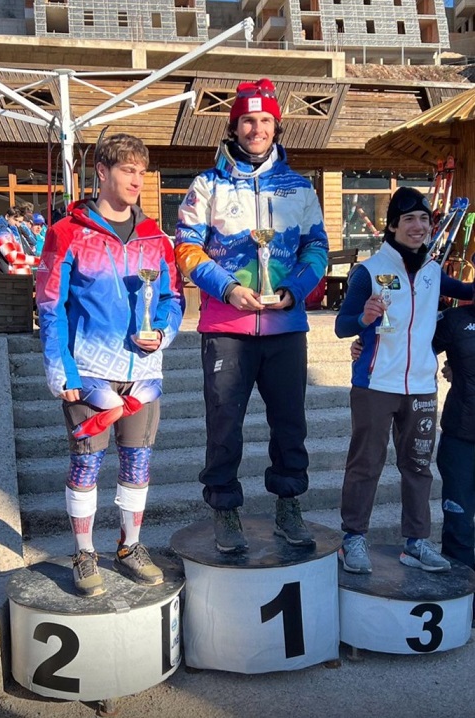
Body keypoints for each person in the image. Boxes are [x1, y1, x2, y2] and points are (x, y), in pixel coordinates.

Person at [174, 78, 329, 553]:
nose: (256, 129)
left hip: (285, 324)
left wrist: (293, 290)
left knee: (290, 423)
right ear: (234, 126)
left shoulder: (300, 187)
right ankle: (224, 508)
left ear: (276, 127)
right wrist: (228, 288)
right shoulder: (207, 185)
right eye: (247, 120)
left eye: (264, 120)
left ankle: (288, 504)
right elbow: (186, 249)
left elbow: (317, 249)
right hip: (227, 327)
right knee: (224, 424)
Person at [36, 133, 184, 597]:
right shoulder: (67, 232)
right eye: (127, 170)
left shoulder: (156, 237)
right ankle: (84, 552)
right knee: (85, 464)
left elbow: (173, 298)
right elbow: (50, 306)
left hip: (143, 374)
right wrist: (60, 370)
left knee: (138, 464)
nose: (137, 180)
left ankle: (129, 546)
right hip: (89, 373)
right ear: (102, 171)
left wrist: (162, 332)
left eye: (142, 171)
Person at [335, 186, 473, 575]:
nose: (418, 226)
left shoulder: (433, 271)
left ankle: (416, 542)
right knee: (366, 464)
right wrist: (364, 318)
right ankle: (353, 538)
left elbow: (468, 292)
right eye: (409, 219)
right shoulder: (369, 271)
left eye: (424, 219)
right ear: (393, 226)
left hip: (421, 387)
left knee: (418, 466)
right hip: (376, 384)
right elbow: (343, 326)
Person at [432, 299, 475, 583]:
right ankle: (461, 596)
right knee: (458, 526)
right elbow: (412, 348)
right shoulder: (454, 319)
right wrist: (365, 344)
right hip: (461, 438)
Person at [0, 207, 39, 275]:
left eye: (20, 222)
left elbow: (27, 250)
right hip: (10, 277)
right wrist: (38, 260)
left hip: (21, 276)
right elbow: (13, 257)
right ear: (7, 217)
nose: (17, 224)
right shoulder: (2, 232)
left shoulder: (16, 232)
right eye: (15, 220)